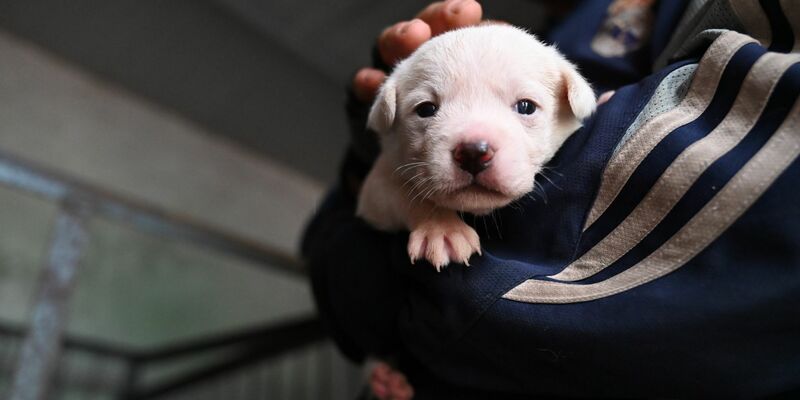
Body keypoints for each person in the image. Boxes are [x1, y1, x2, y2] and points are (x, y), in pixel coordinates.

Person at [302, 0, 800, 398]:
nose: (474, 145)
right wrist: (418, 205)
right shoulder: (568, 30)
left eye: (524, 107)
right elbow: (356, 211)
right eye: (428, 108)